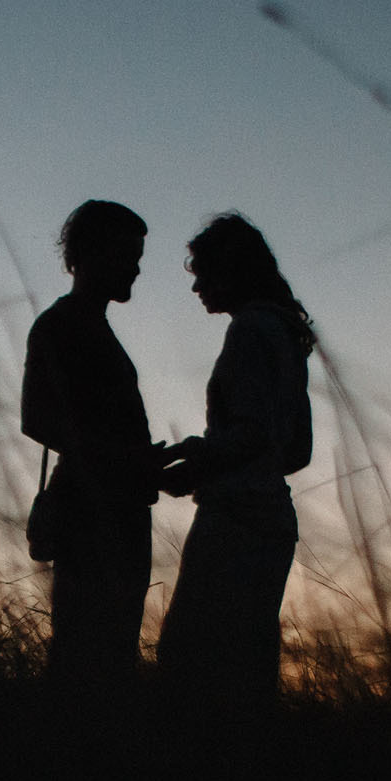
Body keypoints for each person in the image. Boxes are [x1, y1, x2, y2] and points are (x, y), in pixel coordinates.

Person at [156, 213, 316, 703]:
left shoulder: (249, 330)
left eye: (204, 272)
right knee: (249, 666)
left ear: (232, 270)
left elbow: (251, 436)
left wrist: (195, 460)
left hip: (236, 517)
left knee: (187, 659)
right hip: (274, 517)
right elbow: (295, 449)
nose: (197, 286)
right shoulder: (285, 334)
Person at [20, 200, 169, 682]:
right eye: (126, 254)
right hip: (92, 512)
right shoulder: (60, 325)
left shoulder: (93, 325)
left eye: (138, 256)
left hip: (120, 509)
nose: (136, 268)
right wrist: (129, 459)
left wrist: (142, 463)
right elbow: (37, 418)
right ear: (86, 254)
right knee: (88, 658)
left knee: (111, 652)